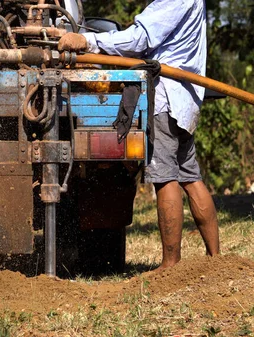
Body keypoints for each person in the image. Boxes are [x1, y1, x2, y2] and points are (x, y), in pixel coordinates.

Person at [58, 0, 220, 270]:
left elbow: (139, 39)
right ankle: (216, 260)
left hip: (167, 98)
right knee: (190, 177)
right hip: (185, 98)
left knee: (165, 178)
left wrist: (86, 41)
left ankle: (170, 265)